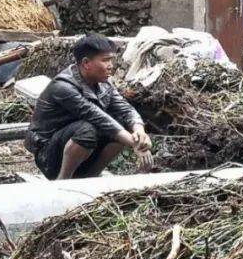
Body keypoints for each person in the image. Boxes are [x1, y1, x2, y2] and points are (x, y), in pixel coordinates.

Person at [26, 33, 151, 180]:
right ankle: (62, 181)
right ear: (86, 63)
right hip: (49, 156)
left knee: (120, 123)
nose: (111, 66)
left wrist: (139, 132)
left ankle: (90, 176)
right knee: (86, 129)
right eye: (105, 60)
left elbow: (126, 109)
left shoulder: (104, 84)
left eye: (111, 60)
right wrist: (134, 144)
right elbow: (96, 116)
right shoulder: (63, 86)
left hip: (83, 151)